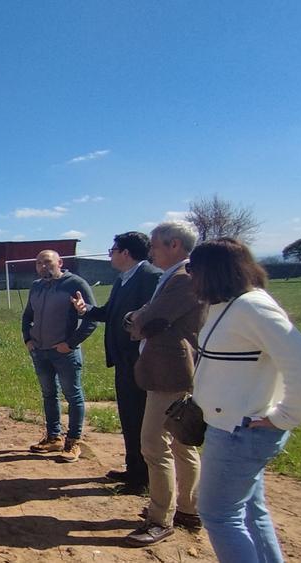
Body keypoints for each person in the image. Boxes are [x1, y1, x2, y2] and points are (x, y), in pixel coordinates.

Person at [189, 238, 301, 562]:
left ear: (212, 271)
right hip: (231, 425)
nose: (189, 276)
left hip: (240, 430)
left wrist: (284, 417)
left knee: (218, 514)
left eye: (192, 269)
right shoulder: (229, 304)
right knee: (250, 510)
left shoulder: (252, 306)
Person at [123, 221, 206, 546]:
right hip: (168, 368)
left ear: (174, 245)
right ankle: (187, 508)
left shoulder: (184, 278)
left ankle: (161, 518)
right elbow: (144, 316)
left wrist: (138, 322)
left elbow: (148, 319)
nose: (151, 251)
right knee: (181, 443)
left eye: (155, 245)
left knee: (155, 444)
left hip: (170, 372)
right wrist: (139, 320)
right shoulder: (171, 276)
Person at [71, 232, 162, 494]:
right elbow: (111, 312)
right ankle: (133, 469)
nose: (110, 254)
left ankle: (143, 479)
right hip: (123, 360)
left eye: (113, 249)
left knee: (142, 418)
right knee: (129, 416)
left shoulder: (150, 277)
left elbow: (152, 319)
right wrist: (85, 309)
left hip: (140, 359)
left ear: (126, 253)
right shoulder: (123, 279)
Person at [22, 250, 97, 463]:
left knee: (73, 396)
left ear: (60, 263)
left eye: (47, 262)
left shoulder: (75, 284)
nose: (43, 267)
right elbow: (28, 315)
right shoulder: (36, 286)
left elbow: (92, 319)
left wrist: (70, 344)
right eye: (39, 263)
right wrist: (28, 339)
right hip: (40, 351)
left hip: (65, 353)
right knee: (48, 394)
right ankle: (53, 436)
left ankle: (73, 442)